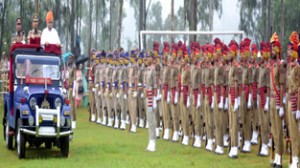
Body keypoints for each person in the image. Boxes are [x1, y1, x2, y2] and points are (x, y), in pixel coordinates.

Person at [269, 32, 285, 168]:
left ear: (278, 50)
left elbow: (282, 85)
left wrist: (281, 104)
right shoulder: (273, 65)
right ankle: (276, 156)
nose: (272, 51)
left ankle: (280, 156)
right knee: (274, 129)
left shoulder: (281, 66)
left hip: (278, 100)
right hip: (272, 100)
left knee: (279, 130)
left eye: (274, 48)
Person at [145, 51, 158, 152]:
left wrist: (154, 98)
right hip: (147, 94)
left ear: (152, 59)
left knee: (152, 119)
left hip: (151, 97)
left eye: (148, 57)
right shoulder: (147, 69)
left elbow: (155, 86)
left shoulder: (153, 71)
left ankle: (153, 141)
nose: (146, 59)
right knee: (149, 119)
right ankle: (150, 140)